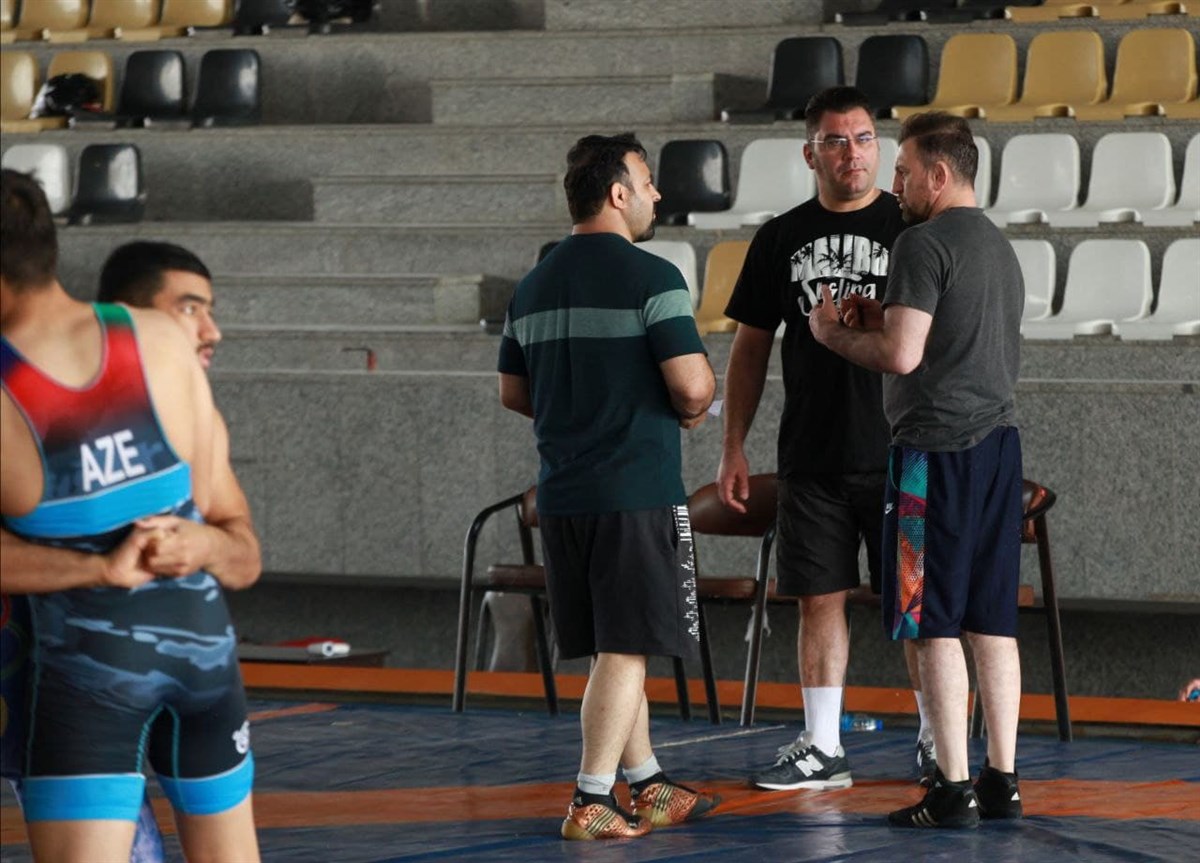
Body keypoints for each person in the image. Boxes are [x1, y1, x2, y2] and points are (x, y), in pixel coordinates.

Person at [0, 169, 261, 861]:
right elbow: (242, 553)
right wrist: (201, 543)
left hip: (85, 679)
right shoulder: (165, 340)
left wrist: (99, 567)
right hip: (206, 658)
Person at [497, 133, 719, 840]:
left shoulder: (532, 284)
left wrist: (582, 412)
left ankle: (647, 783)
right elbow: (692, 385)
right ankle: (591, 796)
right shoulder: (653, 277)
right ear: (618, 194)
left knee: (613, 645)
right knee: (627, 648)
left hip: (563, 497)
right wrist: (691, 409)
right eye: (648, 183)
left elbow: (513, 392)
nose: (658, 194)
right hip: (636, 492)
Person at [809, 112, 1025, 829]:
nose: (893, 184)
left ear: (938, 174)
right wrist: (885, 315)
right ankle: (1001, 780)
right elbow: (945, 335)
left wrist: (832, 333)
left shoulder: (921, 242)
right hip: (998, 449)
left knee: (933, 624)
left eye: (902, 171)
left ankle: (952, 790)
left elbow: (902, 356)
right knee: (991, 623)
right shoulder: (998, 245)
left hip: (933, 453)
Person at [718, 86, 931, 792]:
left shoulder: (911, 229)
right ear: (811, 153)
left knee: (916, 605)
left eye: (864, 138)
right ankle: (822, 744)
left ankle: (937, 740)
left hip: (903, 449)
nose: (852, 153)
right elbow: (749, 348)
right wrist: (733, 444)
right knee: (818, 599)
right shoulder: (780, 236)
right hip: (812, 454)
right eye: (836, 141)